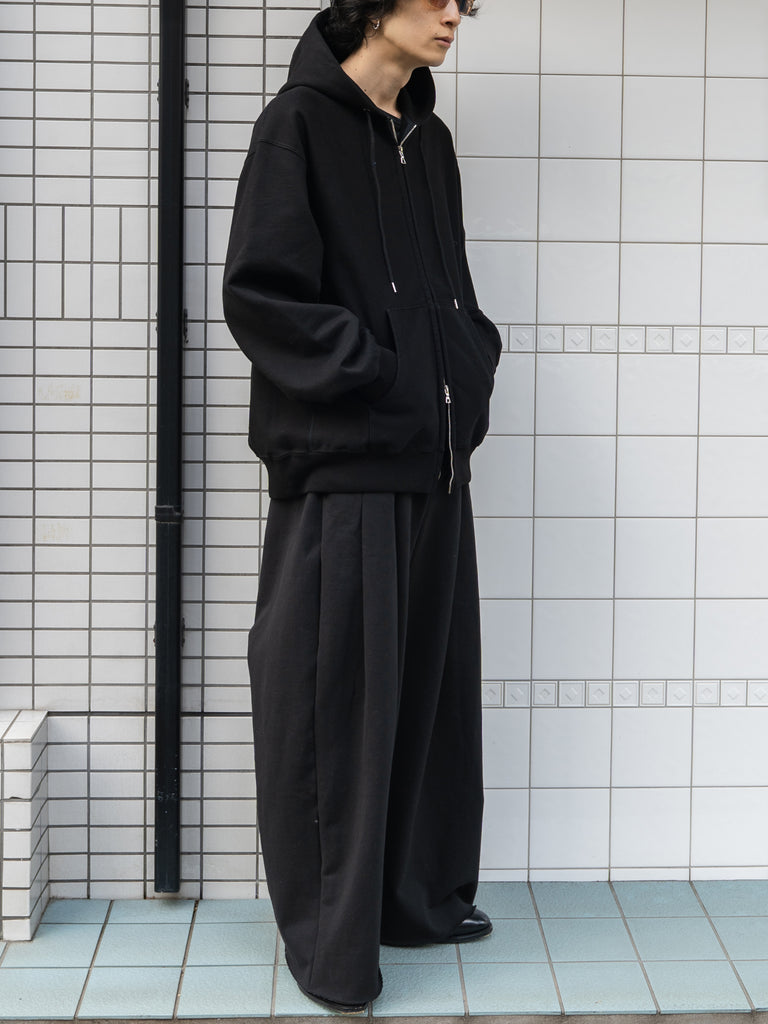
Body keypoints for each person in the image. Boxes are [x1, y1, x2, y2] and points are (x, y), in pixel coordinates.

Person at [222, 0, 501, 1012]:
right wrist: (379, 374)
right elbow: (262, 294)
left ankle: (414, 900)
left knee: (428, 699)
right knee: (334, 710)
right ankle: (334, 949)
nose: (455, 13)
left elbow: (448, 289)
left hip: (433, 464)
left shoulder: (429, 140)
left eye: (466, 0)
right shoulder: (296, 125)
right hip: (345, 469)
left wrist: (466, 365)